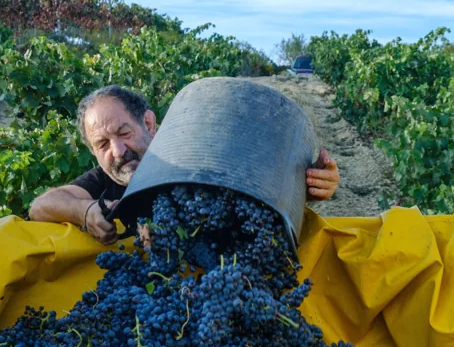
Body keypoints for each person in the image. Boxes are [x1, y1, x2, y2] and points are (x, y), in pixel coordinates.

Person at [29, 85, 340, 245]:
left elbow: (250, 189)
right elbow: (41, 207)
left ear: (149, 123)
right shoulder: (105, 178)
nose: (118, 150)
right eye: (103, 144)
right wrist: (83, 211)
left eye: (124, 133)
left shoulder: (192, 156)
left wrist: (307, 184)